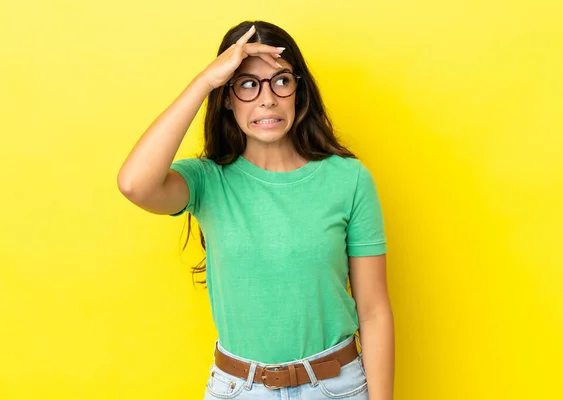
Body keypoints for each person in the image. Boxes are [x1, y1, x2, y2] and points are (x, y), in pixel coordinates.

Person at [117, 20, 394, 400]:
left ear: (299, 90)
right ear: (226, 97)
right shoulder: (206, 181)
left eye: (281, 81)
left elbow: (374, 310)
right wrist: (203, 82)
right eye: (247, 84)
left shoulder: (349, 179)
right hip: (238, 389)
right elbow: (134, 184)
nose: (268, 99)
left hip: (336, 388)